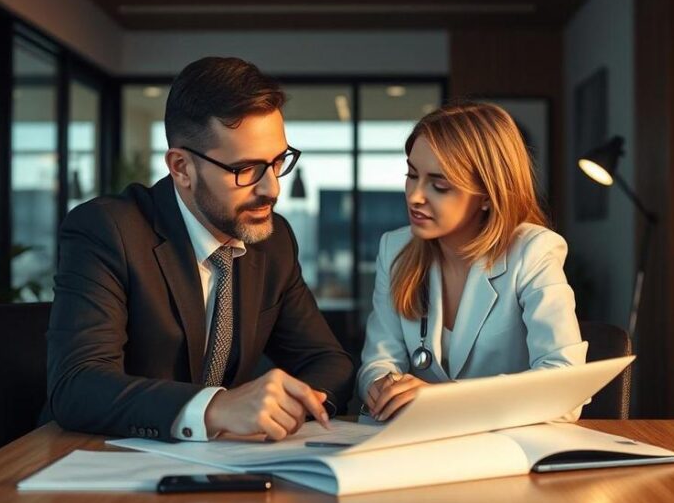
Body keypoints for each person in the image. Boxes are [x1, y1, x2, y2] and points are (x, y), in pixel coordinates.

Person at [45, 57, 354, 442]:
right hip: (106, 463)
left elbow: (328, 362)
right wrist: (215, 408)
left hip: (226, 465)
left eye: (277, 162)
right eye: (246, 169)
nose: (272, 189)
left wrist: (287, 407)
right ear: (181, 168)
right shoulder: (108, 230)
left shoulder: (274, 241)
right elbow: (77, 385)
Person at [358, 101, 587, 422]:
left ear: (487, 195)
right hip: (417, 444)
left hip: (508, 446)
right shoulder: (395, 249)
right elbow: (378, 361)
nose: (414, 196)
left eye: (439, 185)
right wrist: (381, 385)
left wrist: (447, 397)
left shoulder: (533, 251)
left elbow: (564, 385)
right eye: (411, 175)